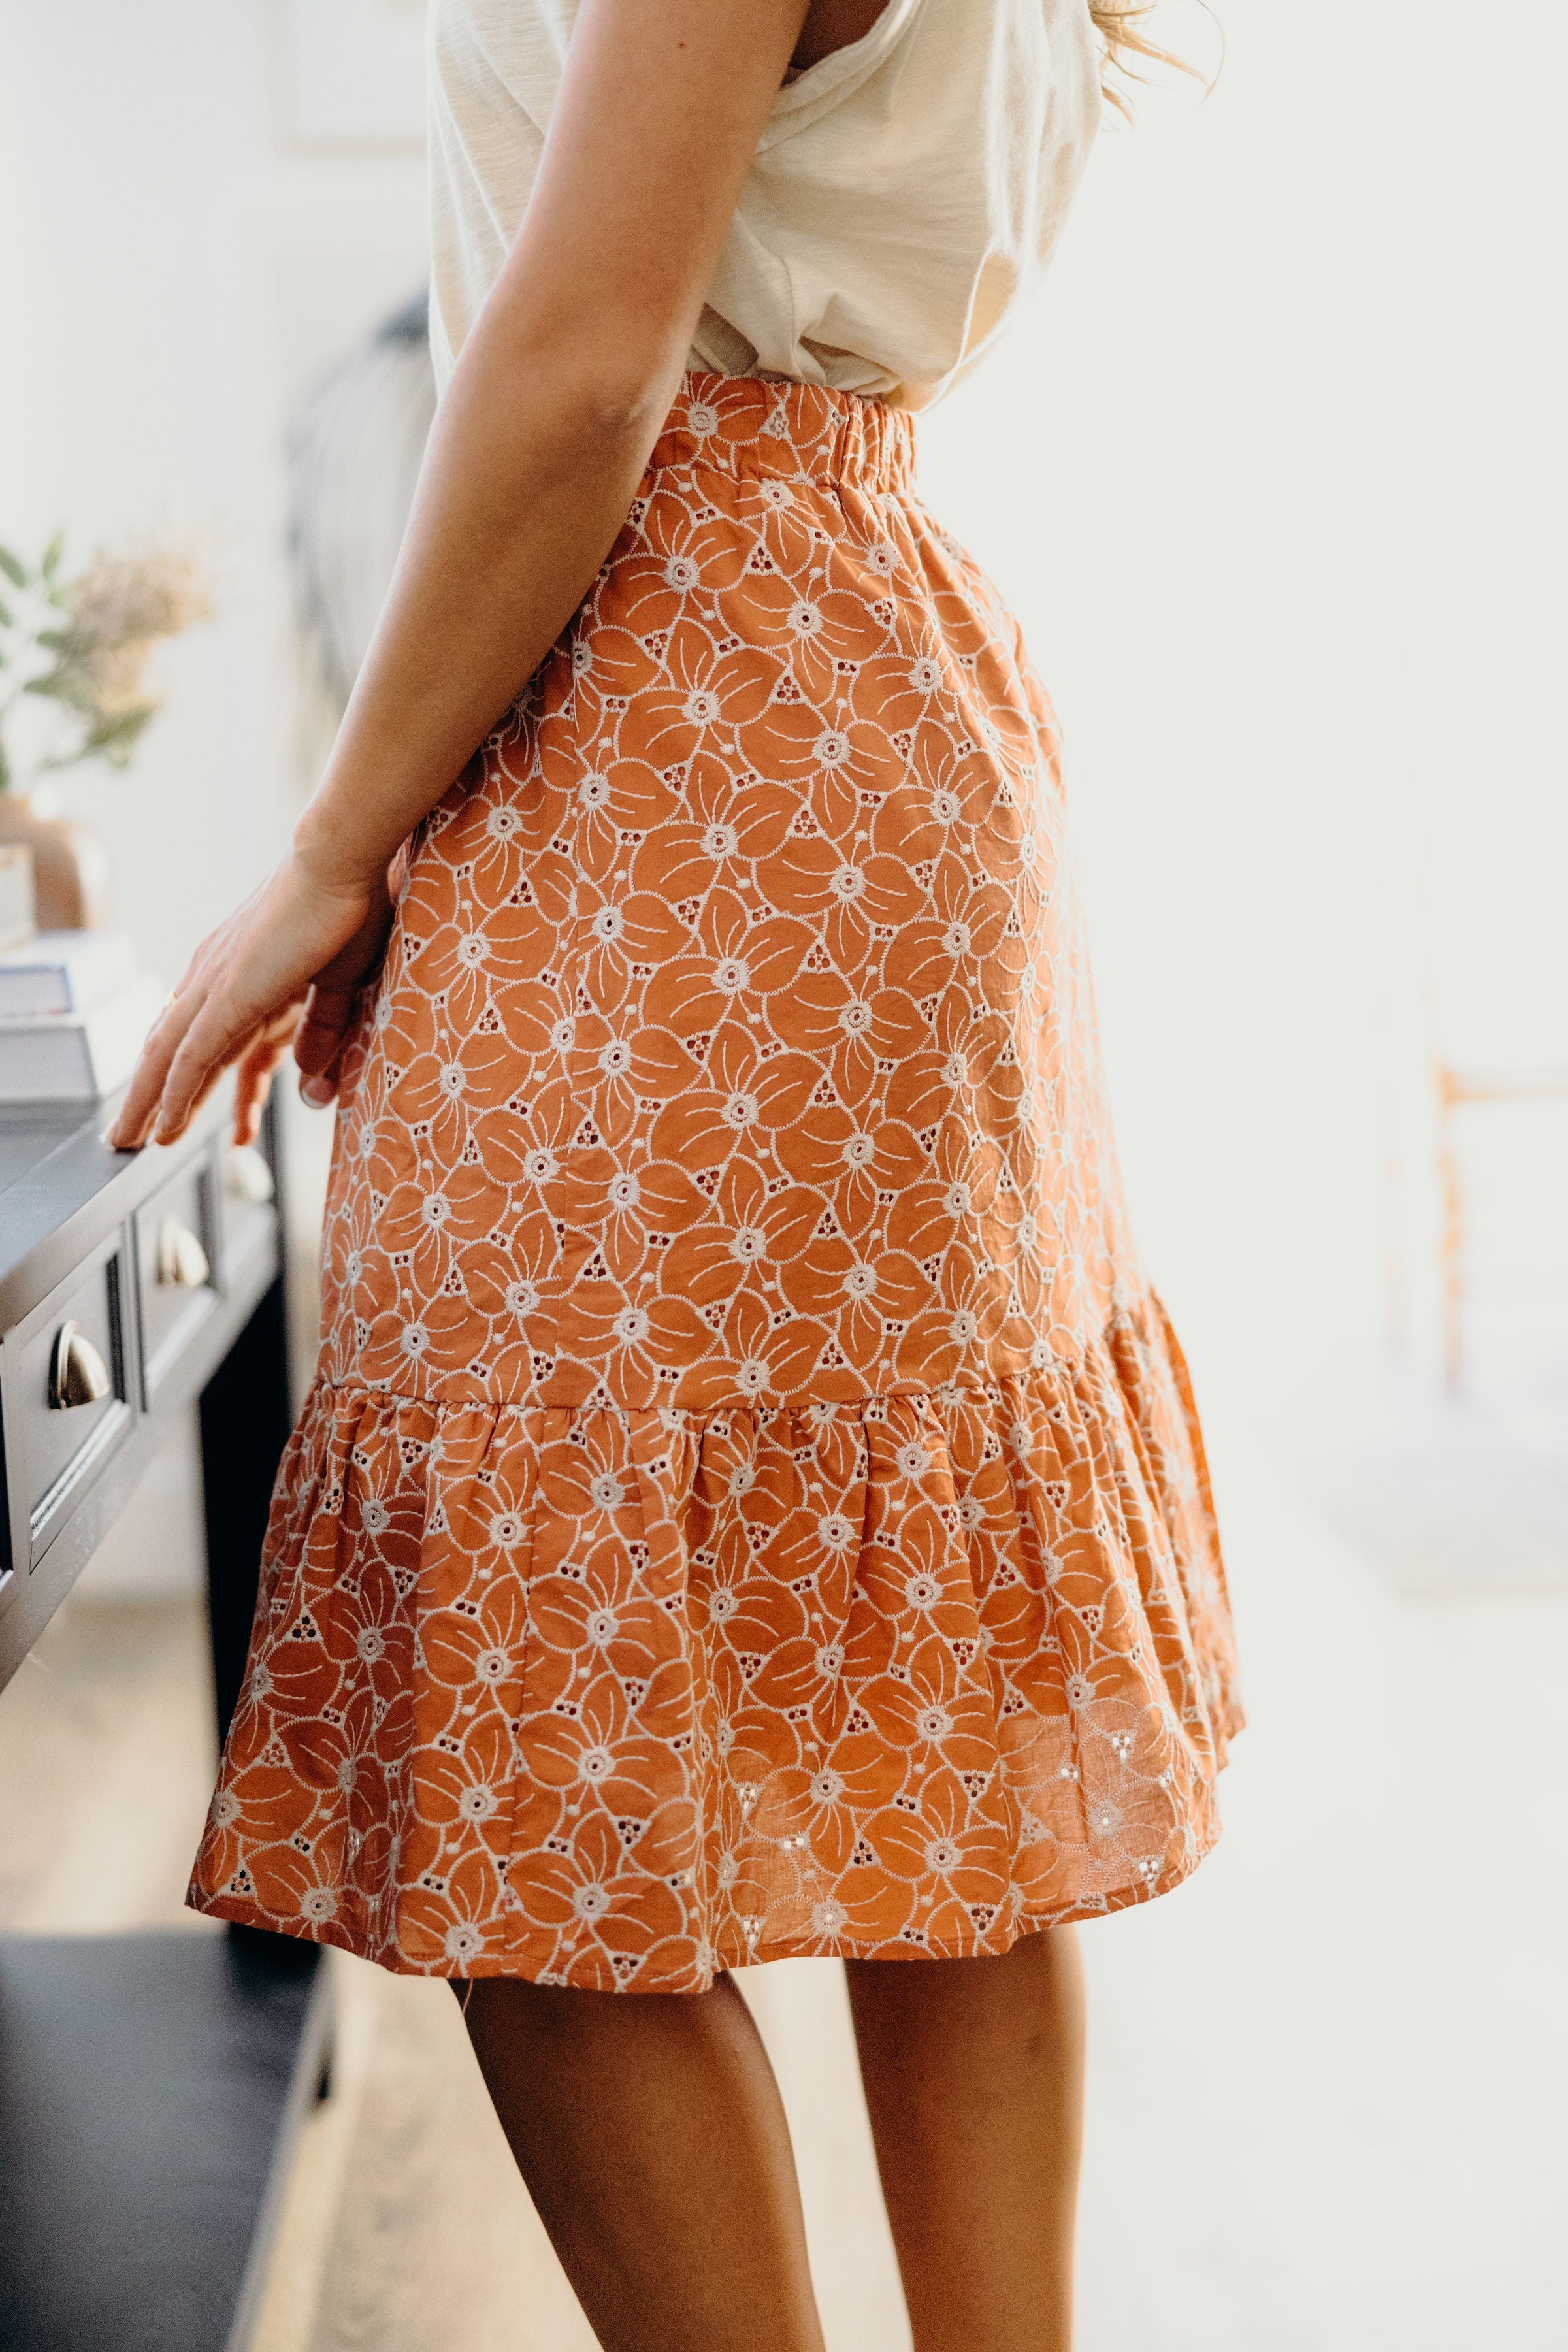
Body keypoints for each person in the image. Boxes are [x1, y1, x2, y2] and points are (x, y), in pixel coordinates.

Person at [112, 3, 1243, 2344]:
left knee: (529, 1800)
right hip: (872, 702)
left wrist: (333, 846)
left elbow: (574, 370)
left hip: (657, 755)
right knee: (944, 1722)